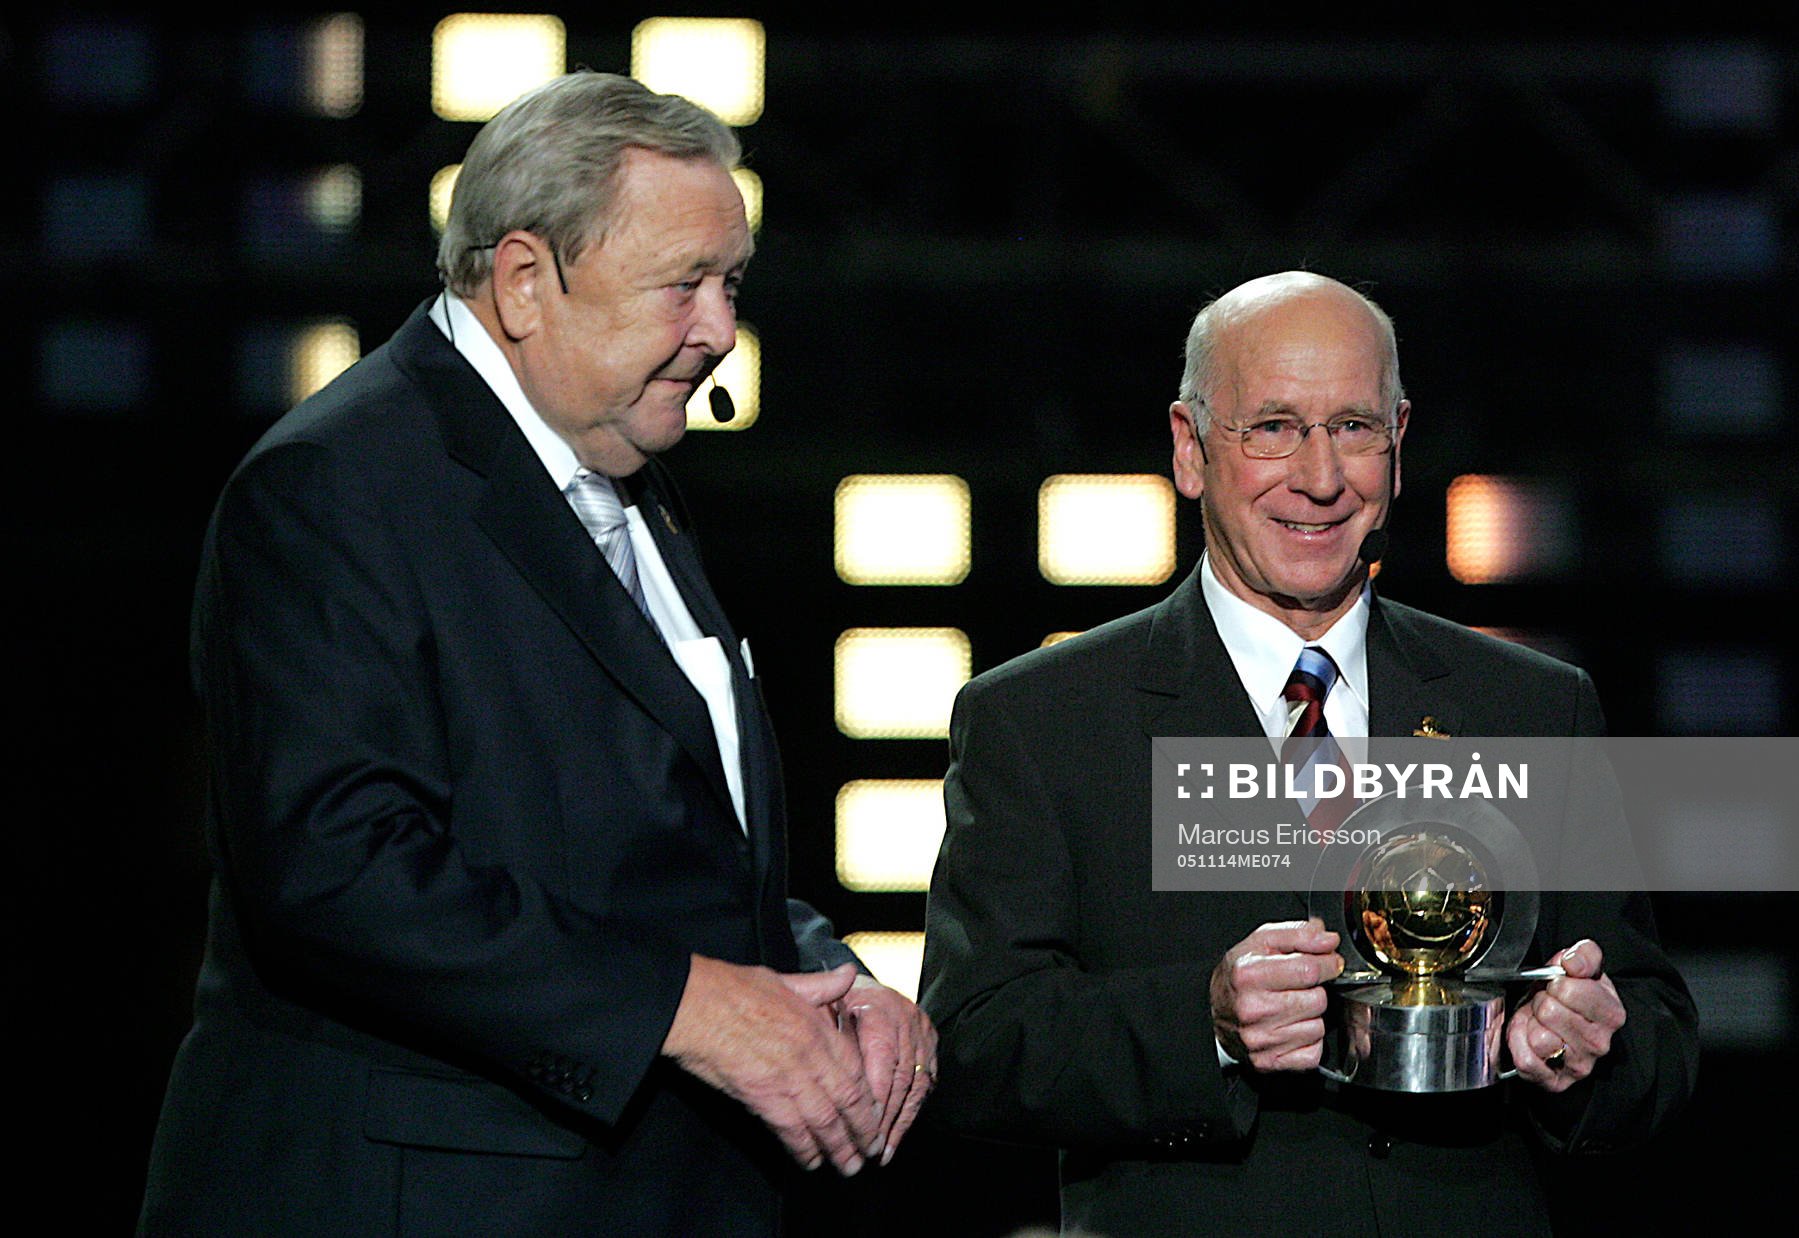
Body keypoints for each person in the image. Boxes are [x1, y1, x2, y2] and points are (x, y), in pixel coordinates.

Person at [140, 71, 934, 1236]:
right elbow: (334, 864)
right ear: (524, 280)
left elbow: (654, 841)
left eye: (731, 284)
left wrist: (827, 978)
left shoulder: (623, 483)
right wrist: (690, 1005)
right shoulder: (334, 485)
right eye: (683, 286)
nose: (719, 329)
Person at [920, 271, 1696, 1237]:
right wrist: (1203, 1024)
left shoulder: (1531, 708)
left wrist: (1581, 1049)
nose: (1321, 477)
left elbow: (1655, 1037)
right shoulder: (1045, 721)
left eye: (1355, 427)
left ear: (1399, 446)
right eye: (1274, 428)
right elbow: (977, 1042)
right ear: (1190, 449)